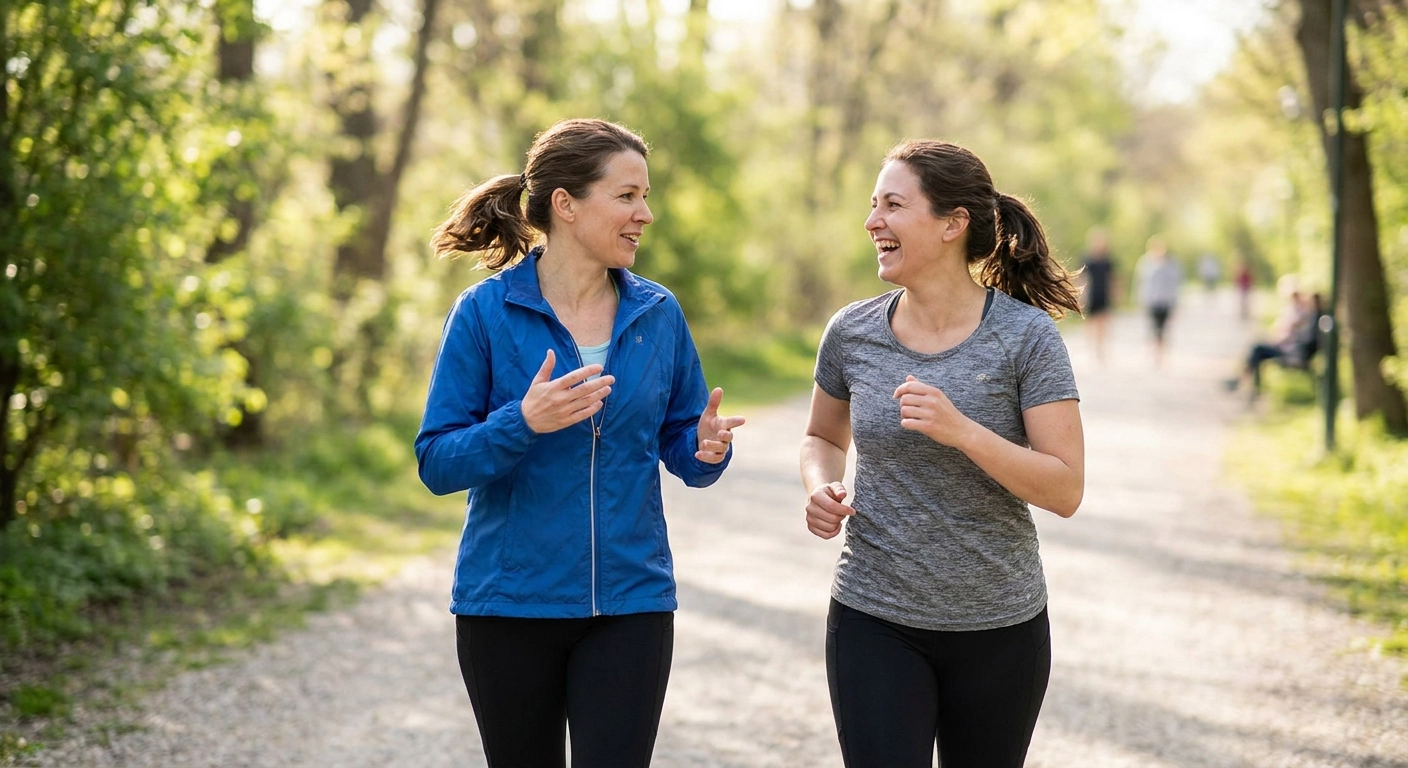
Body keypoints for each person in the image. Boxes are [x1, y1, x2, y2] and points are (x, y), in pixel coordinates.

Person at [414, 118, 745, 768]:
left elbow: (684, 444)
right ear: (565, 205)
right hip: (508, 606)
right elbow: (437, 461)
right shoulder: (485, 313)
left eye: (644, 196)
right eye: (626, 196)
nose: (645, 214)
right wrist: (523, 422)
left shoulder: (657, 314)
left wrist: (706, 449)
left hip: (631, 603)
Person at [799, 140, 1085, 768]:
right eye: (873, 206)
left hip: (1000, 627)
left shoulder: (1025, 337)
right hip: (873, 615)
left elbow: (1065, 489)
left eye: (893, 205)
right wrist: (820, 484)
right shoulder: (852, 332)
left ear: (953, 224)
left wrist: (964, 432)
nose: (873, 221)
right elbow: (822, 437)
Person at [1225, 289, 1321, 397]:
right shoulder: (1312, 319)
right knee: (1257, 348)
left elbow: (1299, 340)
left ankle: (1242, 382)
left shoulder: (1309, 320)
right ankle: (1244, 382)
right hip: (1288, 350)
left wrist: (1281, 343)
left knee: (1257, 350)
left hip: (1290, 353)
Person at [1134, 236, 1182, 368]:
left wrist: (1175, 303)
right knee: (1153, 328)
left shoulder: (1171, 263)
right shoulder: (1145, 262)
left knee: (1164, 329)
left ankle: (1162, 354)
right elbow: (1140, 282)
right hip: (1151, 301)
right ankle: (1155, 354)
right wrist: (1139, 299)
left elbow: (1176, 284)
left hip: (1166, 301)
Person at [1077, 227, 1117, 363]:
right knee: (1090, 322)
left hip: (1103, 294)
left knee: (1103, 323)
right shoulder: (1087, 259)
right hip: (1090, 294)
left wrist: (1115, 294)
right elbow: (1081, 278)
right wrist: (1080, 294)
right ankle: (1091, 348)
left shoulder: (1108, 261)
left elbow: (1113, 279)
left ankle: (1101, 349)